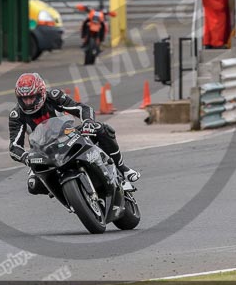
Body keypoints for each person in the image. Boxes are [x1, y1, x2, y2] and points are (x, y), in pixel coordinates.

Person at [8, 72, 140, 195]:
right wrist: (26, 157)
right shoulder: (16, 115)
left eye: (31, 97)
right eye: (24, 99)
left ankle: (122, 169)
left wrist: (88, 121)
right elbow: (14, 146)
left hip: (67, 134)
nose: (28, 102)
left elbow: (81, 108)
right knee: (33, 185)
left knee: (102, 129)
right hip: (42, 150)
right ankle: (70, 195)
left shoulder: (54, 96)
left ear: (41, 92)